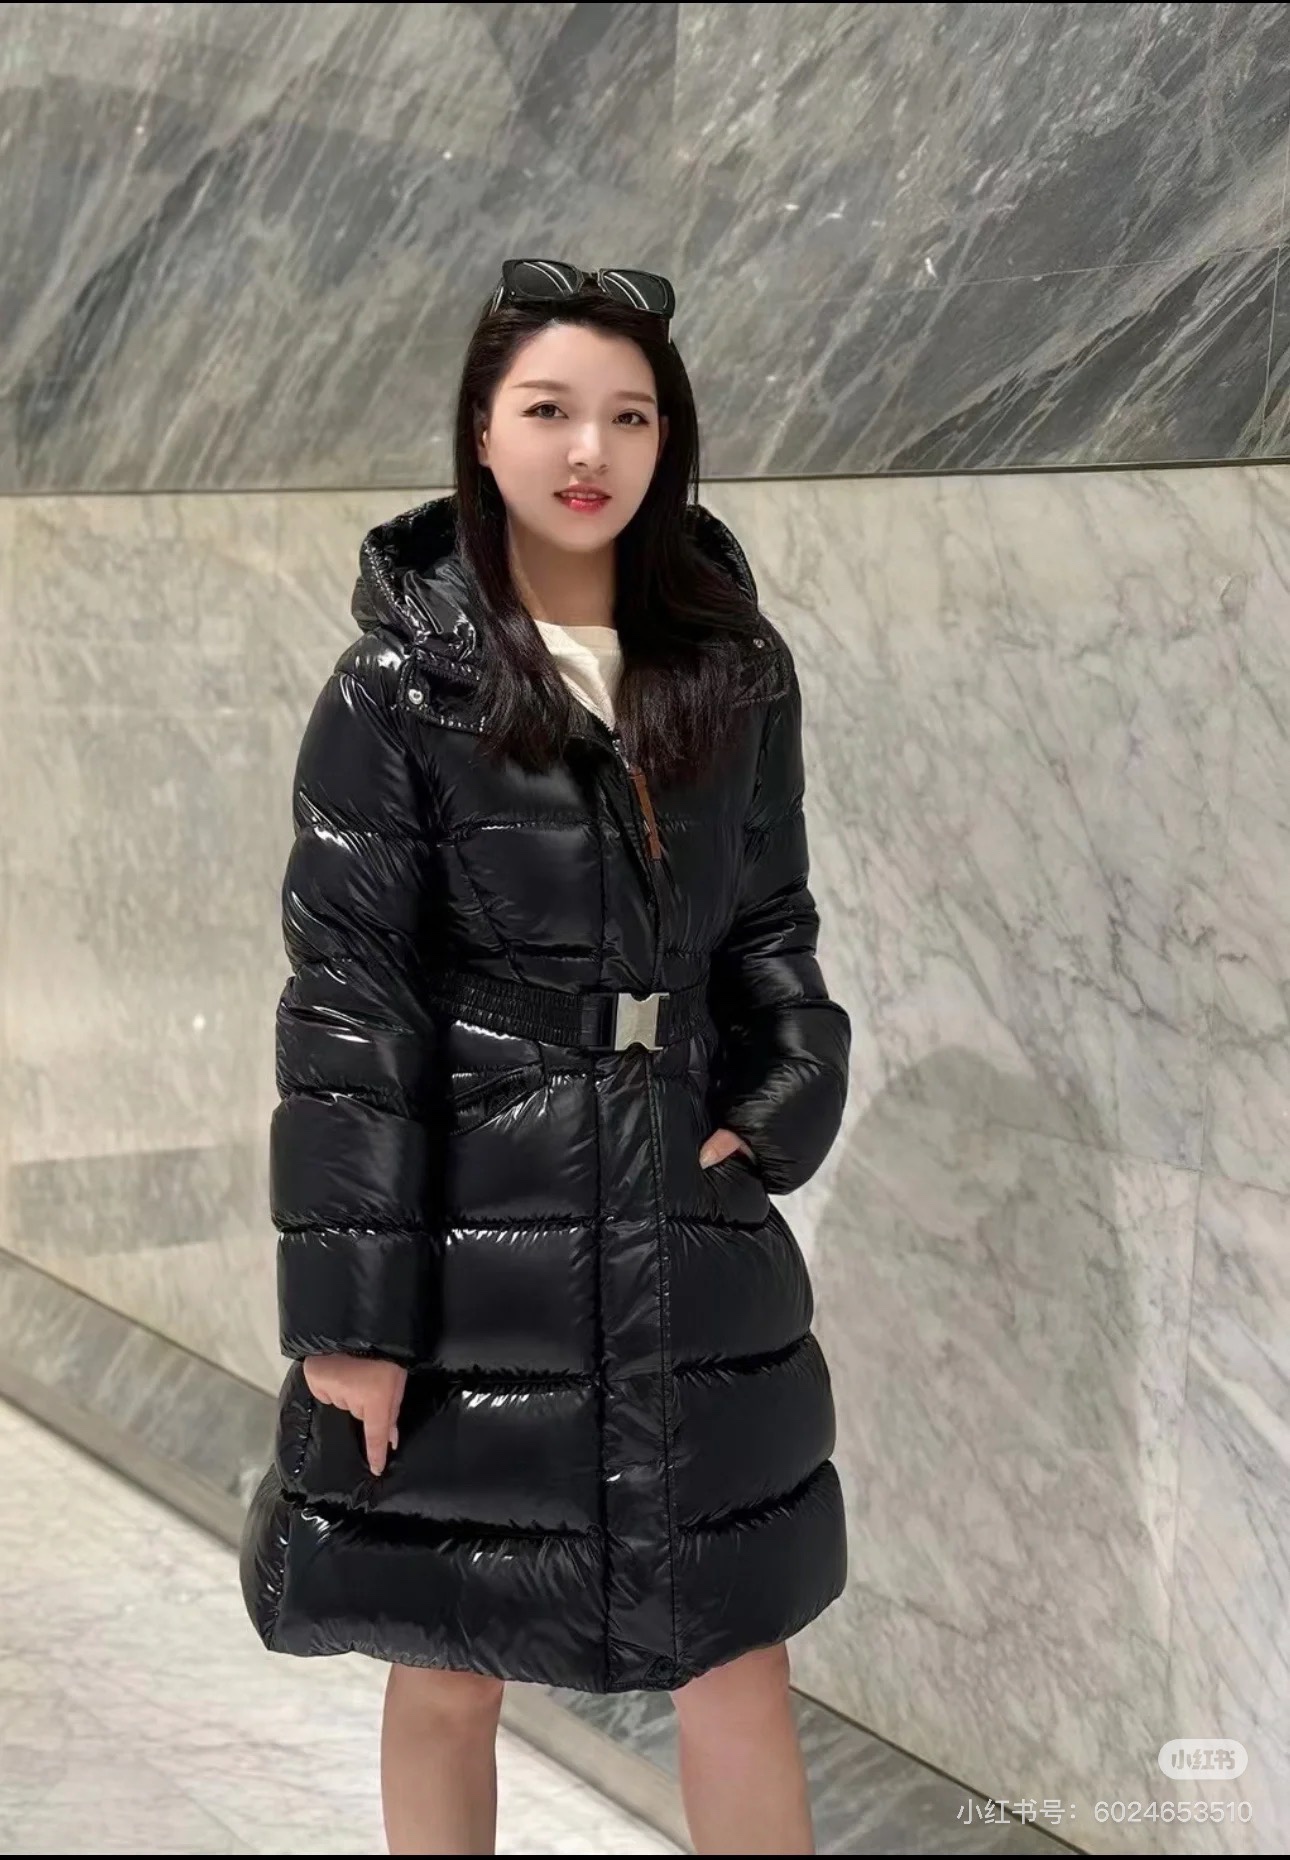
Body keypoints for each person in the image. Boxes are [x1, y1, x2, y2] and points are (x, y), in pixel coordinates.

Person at [239, 259, 852, 1856]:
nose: (591, 449)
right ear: (481, 431)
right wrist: (349, 1324)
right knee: (450, 1646)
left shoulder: (730, 666)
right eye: (550, 409)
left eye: (630, 417)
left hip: (685, 1223)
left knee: (734, 1650)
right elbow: (349, 1010)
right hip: (471, 1243)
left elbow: (769, 921)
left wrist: (778, 1101)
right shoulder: (398, 689)